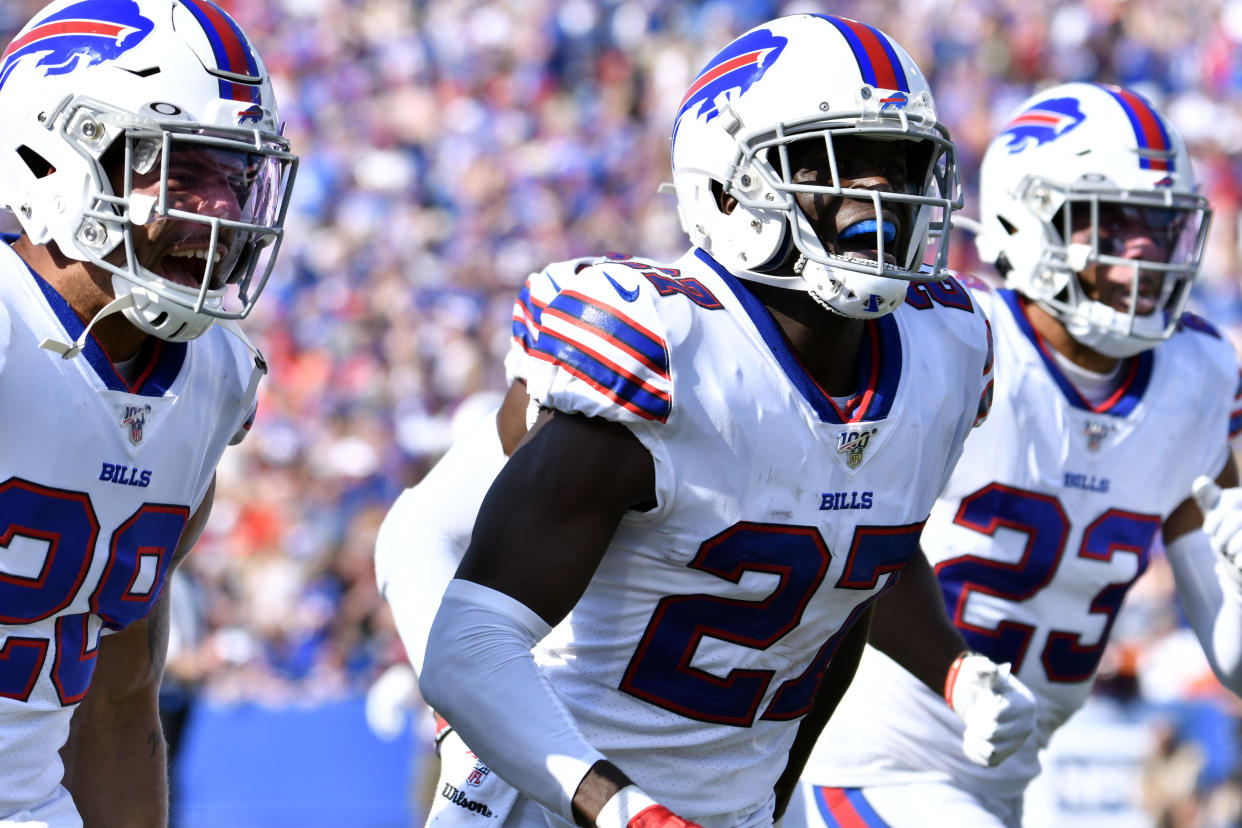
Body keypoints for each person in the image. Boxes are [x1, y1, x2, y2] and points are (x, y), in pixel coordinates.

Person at [416, 14, 1026, 828]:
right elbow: (467, 645)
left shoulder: (943, 351)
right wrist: (624, 811)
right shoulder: (668, 353)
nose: (880, 196)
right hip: (551, 801)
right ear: (730, 186)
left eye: (899, 163)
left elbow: (840, 600)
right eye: (838, 163)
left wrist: (771, 802)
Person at [786, 81, 1242, 828]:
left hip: (999, 781)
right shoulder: (956, 340)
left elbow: (1235, 662)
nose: (1144, 253)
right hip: (862, 759)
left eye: (1159, 227)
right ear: (1025, 220)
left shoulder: (1200, 377)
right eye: (1114, 222)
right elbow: (849, 533)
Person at [0, 0, 296, 824]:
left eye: (237, 181)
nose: (223, 218)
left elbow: (119, 702)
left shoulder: (212, 380)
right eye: (186, 173)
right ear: (52, 155)